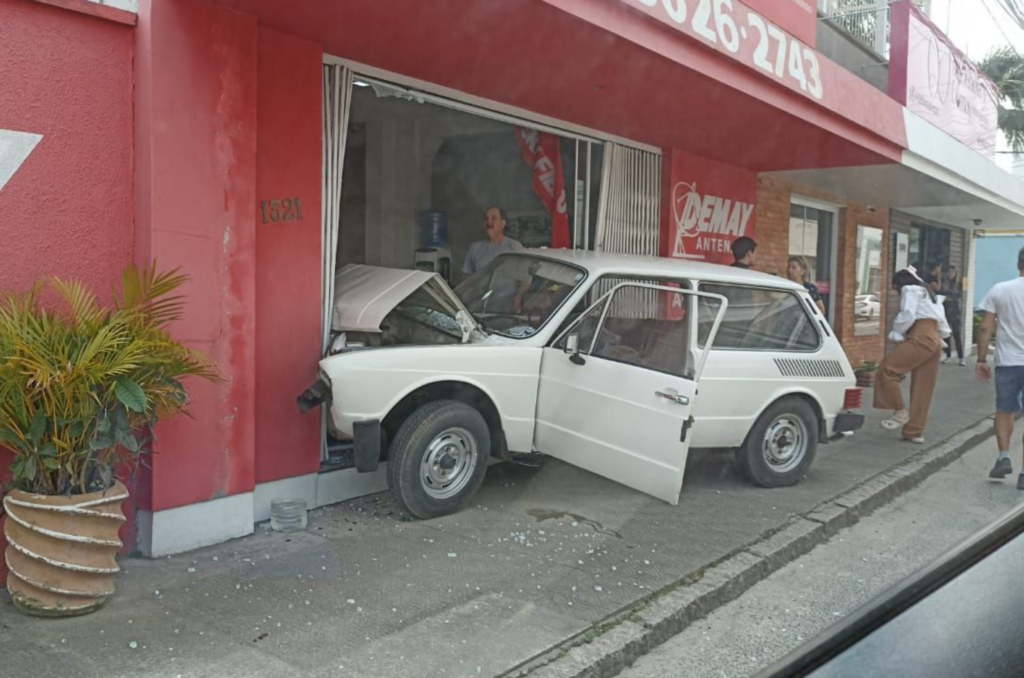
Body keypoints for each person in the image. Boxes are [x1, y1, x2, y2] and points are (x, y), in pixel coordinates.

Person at [874, 266, 950, 444]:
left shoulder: (910, 290)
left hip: (921, 335)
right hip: (934, 338)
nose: (895, 291)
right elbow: (943, 323)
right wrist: (940, 337)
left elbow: (907, 314)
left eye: (895, 287)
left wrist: (897, 332)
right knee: (923, 387)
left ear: (901, 284)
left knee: (888, 368)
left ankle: (900, 411)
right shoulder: (929, 293)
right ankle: (915, 431)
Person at [976, 246, 1024, 487]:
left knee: (1004, 410)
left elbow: (986, 327)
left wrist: (981, 359)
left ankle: (1003, 456)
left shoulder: (1000, 290)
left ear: (1018, 264)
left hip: (1008, 363)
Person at [462, 206, 523, 276]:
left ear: (503, 224)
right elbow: (467, 278)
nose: (489, 222)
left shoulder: (514, 247)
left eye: (494, 218)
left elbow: (525, 280)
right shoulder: (475, 248)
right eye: (486, 219)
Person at [939, 264, 965, 366]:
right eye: (949, 272)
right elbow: (940, 295)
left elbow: (959, 296)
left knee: (957, 334)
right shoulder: (943, 283)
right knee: (946, 334)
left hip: (955, 311)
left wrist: (948, 297)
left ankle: (961, 358)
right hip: (945, 311)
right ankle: (948, 355)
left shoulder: (959, 284)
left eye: (952, 272)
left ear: (955, 273)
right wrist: (948, 297)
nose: (951, 274)